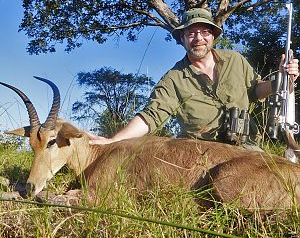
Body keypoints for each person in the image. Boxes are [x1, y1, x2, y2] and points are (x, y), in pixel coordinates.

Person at [88, 8, 299, 149]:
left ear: (213, 37)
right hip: (202, 152)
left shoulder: (235, 60)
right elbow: (150, 117)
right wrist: (113, 140)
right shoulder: (173, 79)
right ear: (182, 39)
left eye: (204, 32)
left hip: (247, 146)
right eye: (191, 33)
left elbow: (254, 90)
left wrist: (281, 81)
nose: (198, 38)